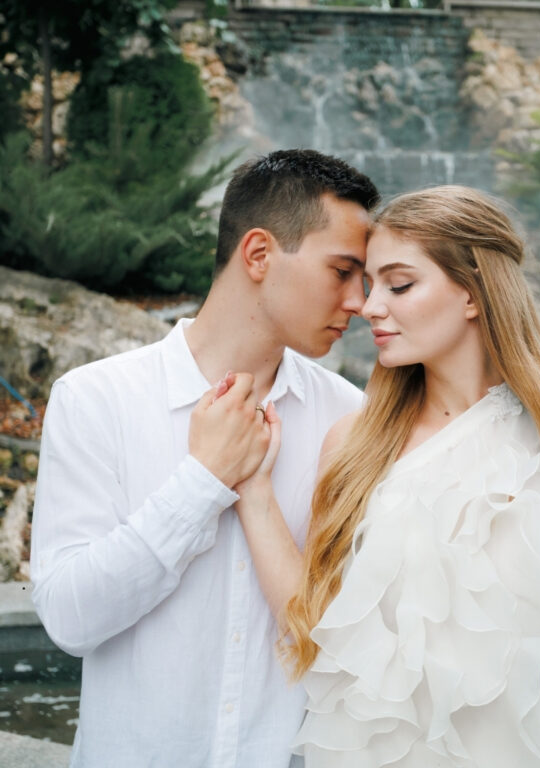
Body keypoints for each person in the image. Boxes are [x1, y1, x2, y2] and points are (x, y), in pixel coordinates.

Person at [234, 186, 540, 767]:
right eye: (370, 284)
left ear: (473, 293)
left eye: (398, 285)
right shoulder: (353, 445)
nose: (370, 306)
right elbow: (316, 626)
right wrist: (252, 490)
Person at [30, 150, 379, 768]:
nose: (360, 301)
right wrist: (202, 481)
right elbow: (69, 619)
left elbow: (358, 629)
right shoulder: (95, 400)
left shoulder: (348, 417)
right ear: (259, 254)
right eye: (343, 271)